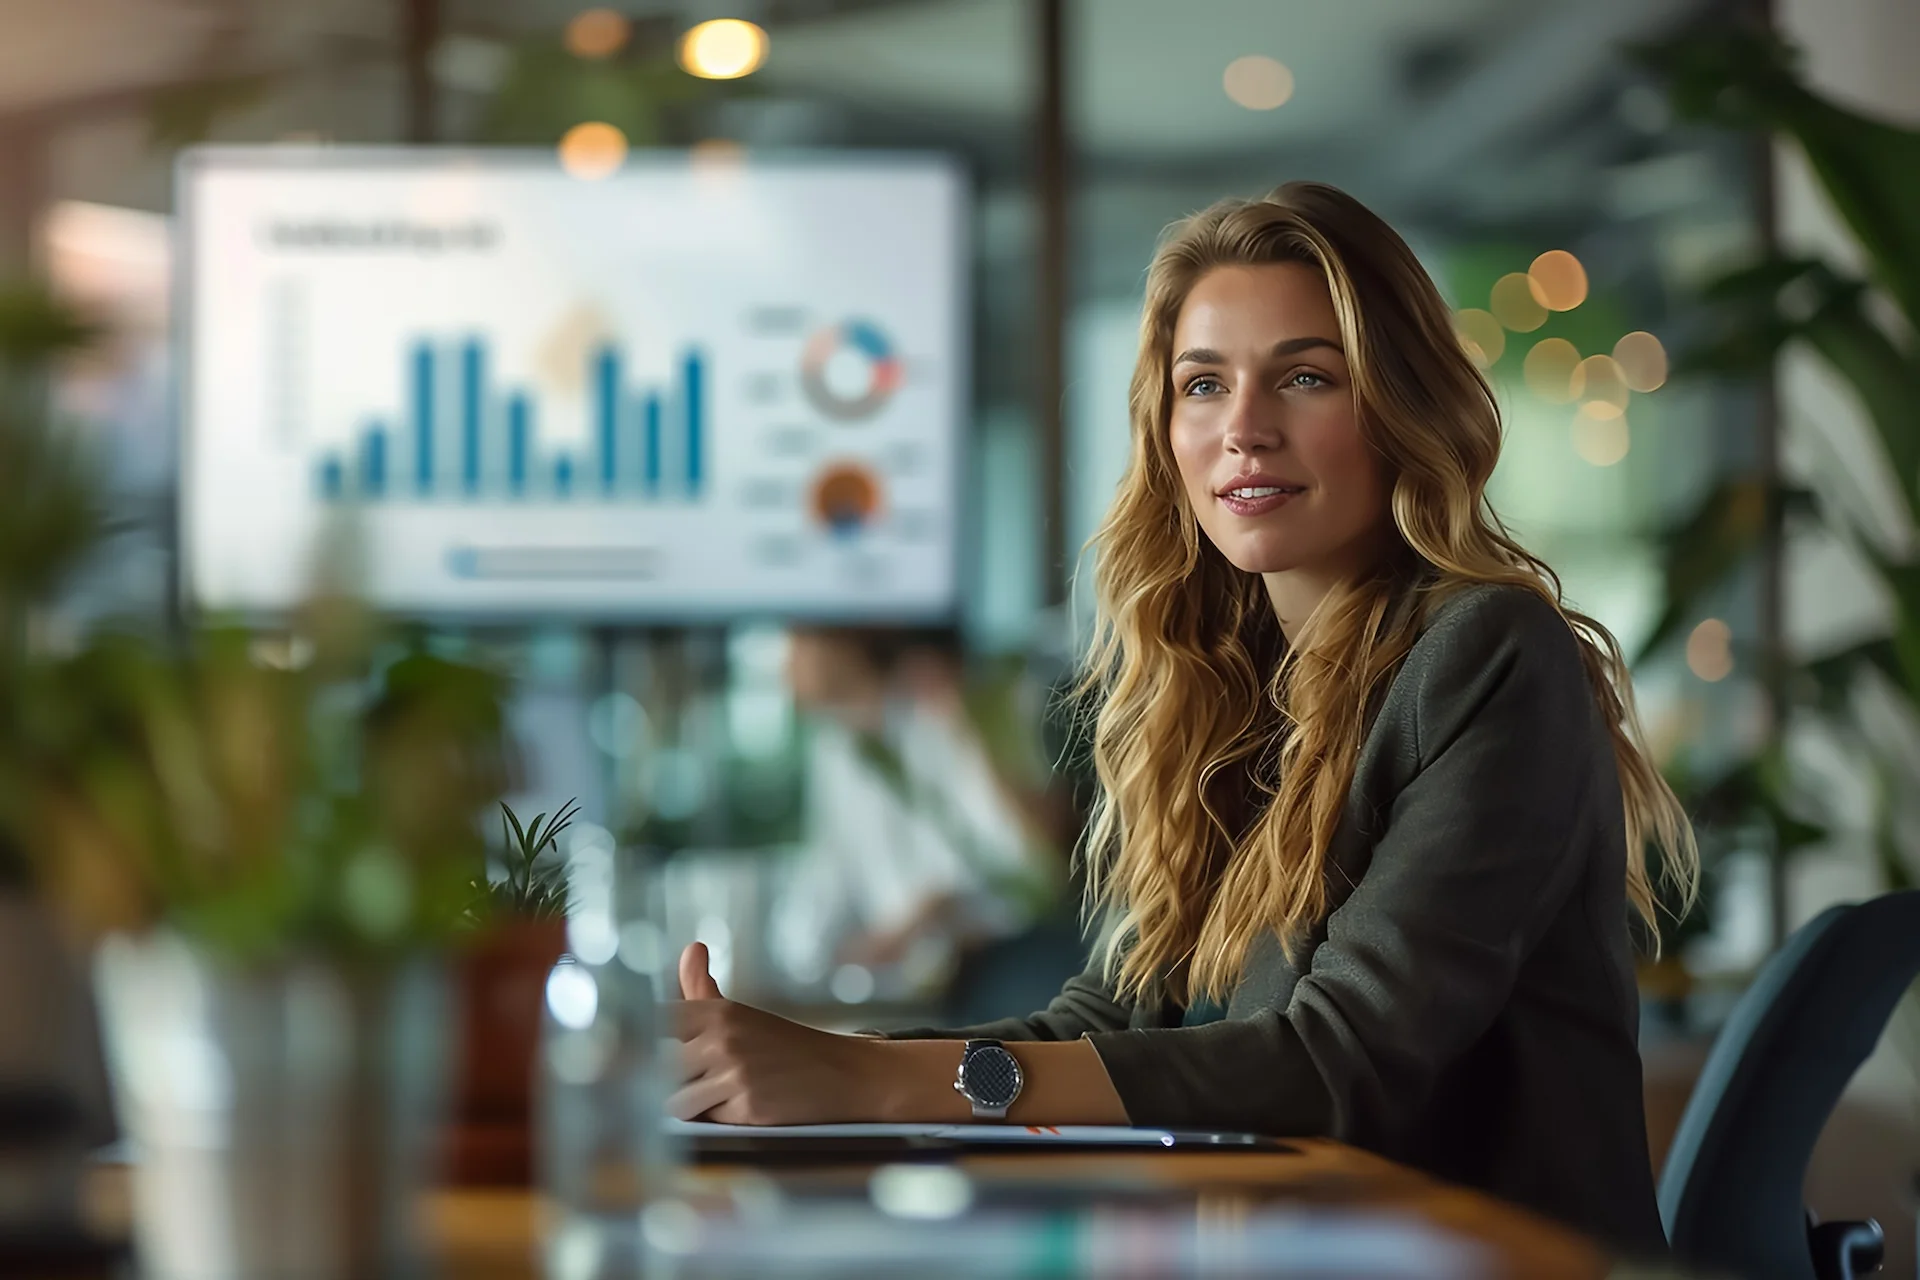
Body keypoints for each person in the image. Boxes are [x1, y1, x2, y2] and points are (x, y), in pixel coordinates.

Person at [669, 182, 1697, 1255]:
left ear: (1400, 408)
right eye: (1203, 384)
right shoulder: (1227, 693)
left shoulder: (1489, 653)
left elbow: (1337, 1064)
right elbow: (1105, 1024)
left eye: (1304, 376)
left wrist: (877, 1075)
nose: (1244, 428)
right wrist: (804, 1062)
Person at [766, 627, 1064, 1000]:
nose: (787, 661)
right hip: (923, 972)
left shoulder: (963, 702)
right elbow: (830, 869)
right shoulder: (841, 750)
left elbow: (1039, 853)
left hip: (1014, 948)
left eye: (799, 637)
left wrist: (933, 910)